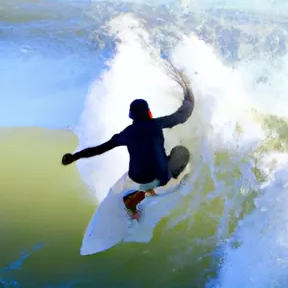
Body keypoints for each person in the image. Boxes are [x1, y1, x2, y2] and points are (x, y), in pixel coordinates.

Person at [62, 68, 194, 220]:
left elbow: (100, 149)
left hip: (136, 175)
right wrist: (187, 90)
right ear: (149, 113)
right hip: (159, 175)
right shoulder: (157, 124)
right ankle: (147, 192)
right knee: (181, 152)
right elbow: (184, 114)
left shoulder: (127, 133)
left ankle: (147, 188)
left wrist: (75, 156)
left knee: (152, 163)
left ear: (131, 116)